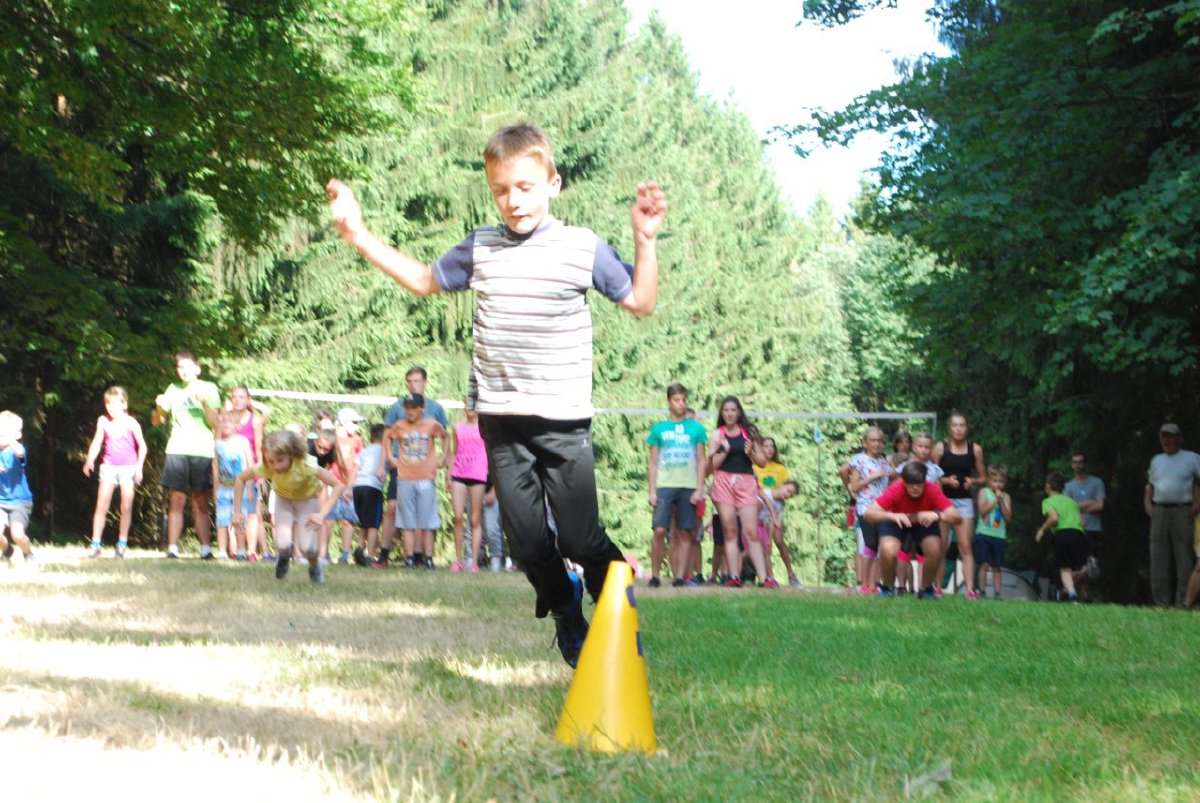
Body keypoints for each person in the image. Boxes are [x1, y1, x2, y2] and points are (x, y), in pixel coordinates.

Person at [327, 122, 666, 667]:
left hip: (564, 422)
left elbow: (642, 302)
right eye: (501, 190)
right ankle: (565, 608)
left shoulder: (582, 247)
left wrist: (644, 241)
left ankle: (616, 605)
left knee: (580, 539)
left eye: (525, 187)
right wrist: (358, 235)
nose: (513, 201)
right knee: (528, 544)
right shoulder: (481, 246)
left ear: (553, 183)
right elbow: (422, 280)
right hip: (502, 422)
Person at [233, 430, 344, 584]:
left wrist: (321, 514)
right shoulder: (266, 466)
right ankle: (284, 555)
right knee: (282, 544)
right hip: (283, 499)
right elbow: (240, 479)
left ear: (291, 454)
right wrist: (237, 512)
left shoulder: (305, 464)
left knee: (307, 547)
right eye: (271, 461)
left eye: (280, 460)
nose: (275, 466)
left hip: (306, 500)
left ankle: (314, 565)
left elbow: (338, 485)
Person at [153, 350, 221, 559]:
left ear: (197, 369)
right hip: (177, 449)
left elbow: (216, 423)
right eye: (180, 367)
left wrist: (204, 403)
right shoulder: (172, 389)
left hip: (202, 450)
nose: (183, 371)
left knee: (200, 501)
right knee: (176, 500)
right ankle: (173, 549)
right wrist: (158, 407)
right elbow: (158, 420)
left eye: (187, 367)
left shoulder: (209, 388)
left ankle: (206, 549)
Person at [380, 367, 449, 566]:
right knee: (398, 512)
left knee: (425, 516)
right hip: (403, 471)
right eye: (409, 381)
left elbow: (446, 436)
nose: (413, 384)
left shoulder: (434, 413)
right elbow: (387, 435)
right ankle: (394, 555)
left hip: (425, 473)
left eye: (417, 381)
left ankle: (424, 557)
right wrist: (387, 461)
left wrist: (443, 461)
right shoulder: (397, 413)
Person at [863, 462, 960, 598]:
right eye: (911, 485)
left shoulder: (932, 489)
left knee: (935, 549)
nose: (915, 488)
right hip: (896, 520)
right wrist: (892, 516)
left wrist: (937, 515)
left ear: (924, 482)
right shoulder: (896, 489)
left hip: (923, 521)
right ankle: (887, 588)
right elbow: (868, 514)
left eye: (919, 485)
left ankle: (925, 589)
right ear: (904, 482)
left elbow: (957, 517)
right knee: (887, 549)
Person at [646, 383, 707, 587]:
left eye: (683, 400)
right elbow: (653, 462)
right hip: (664, 485)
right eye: (676, 400)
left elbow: (702, 460)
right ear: (669, 401)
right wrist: (652, 490)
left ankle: (680, 577)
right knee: (659, 530)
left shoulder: (696, 429)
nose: (681, 404)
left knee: (685, 531)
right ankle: (655, 575)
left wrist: (699, 488)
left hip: (688, 485)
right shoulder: (659, 429)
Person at [709, 396, 770, 587]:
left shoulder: (748, 432)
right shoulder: (717, 435)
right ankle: (733, 576)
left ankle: (764, 578)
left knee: (751, 531)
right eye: (726, 410)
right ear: (722, 413)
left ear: (739, 412)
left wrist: (751, 452)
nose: (729, 413)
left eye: (733, 410)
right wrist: (724, 450)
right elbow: (712, 465)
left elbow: (762, 462)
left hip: (746, 482)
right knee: (730, 531)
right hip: (723, 482)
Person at [83, 386, 148, 559]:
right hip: (109, 467)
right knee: (101, 505)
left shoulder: (132, 423)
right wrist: (90, 460)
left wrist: (139, 468)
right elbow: (97, 442)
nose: (111, 408)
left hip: (128, 469)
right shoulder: (103, 421)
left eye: (115, 404)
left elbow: (142, 446)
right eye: (108, 404)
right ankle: (96, 544)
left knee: (126, 506)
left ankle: (122, 543)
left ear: (124, 404)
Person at [1143, 423, 1200, 607]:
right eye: (1164, 436)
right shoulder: (1156, 460)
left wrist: (1197, 505)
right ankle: (1161, 602)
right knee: (1158, 555)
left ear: (1179, 438)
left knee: (1184, 556)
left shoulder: (1191, 458)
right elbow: (1150, 485)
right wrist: (1147, 503)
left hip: (1182, 509)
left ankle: (1183, 602)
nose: (1167, 440)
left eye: (1171, 436)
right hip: (1160, 510)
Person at [932, 411, 987, 598]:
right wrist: (946, 480)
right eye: (955, 425)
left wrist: (973, 481)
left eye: (962, 425)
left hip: (964, 502)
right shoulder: (941, 448)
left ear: (967, 428)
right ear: (949, 428)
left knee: (965, 546)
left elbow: (984, 478)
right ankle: (937, 588)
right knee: (941, 546)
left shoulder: (975, 449)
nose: (958, 429)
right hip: (943, 501)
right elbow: (931, 474)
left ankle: (970, 590)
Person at [844, 427, 895, 593]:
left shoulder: (884, 462)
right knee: (870, 543)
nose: (877, 444)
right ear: (865, 443)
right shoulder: (859, 460)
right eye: (873, 440)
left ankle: (874, 585)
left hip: (882, 508)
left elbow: (890, 482)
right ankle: (864, 584)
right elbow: (854, 486)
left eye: (880, 441)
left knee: (880, 546)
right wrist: (871, 477)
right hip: (866, 507)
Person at [753, 438, 803, 588]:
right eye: (766, 446)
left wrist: (777, 513)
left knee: (779, 540)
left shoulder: (780, 469)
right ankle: (767, 576)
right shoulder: (754, 466)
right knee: (761, 543)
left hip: (775, 507)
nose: (769, 449)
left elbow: (786, 490)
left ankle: (791, 574)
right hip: (758, 504)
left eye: (772, 446)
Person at [227, 386, 270, 559]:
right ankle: (235, 550)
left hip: (251, 472)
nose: (237, 400)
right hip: (230, 473)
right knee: (232, 512)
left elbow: (259, 449)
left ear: (248, 399)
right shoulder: (226, 418)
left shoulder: (255, 421)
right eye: (234, 397)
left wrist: (261, 475)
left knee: (253, 512)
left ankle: (252, 551)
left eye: (242, 397)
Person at [448, 398, 489, 572]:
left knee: (475, 518)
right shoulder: (458, 428)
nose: (470, 408)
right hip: (459, 474)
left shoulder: (485, 429)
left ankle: (474, 562)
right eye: (467, 405)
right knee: (458, 517)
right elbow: (454, 452)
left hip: (478, 475)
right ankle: (458, 560)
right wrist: (449, 476)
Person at [1036, 471, 1088, 602]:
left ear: (1047, 486)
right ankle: (1083, 578)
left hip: (1062, 534)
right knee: (1081, 566)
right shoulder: (1072, 502)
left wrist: (1042, 530)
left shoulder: (1047, 501)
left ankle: (1072, 594)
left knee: (1065, 568)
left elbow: (1054, 518)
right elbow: (1082, 522)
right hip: (1078, 533)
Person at [212, 410, 255, 560]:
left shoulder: (243, 441)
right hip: (223, 488)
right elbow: (215, 466)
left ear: (238, 425)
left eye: (229, 421)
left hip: (240, 489)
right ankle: (222, 551)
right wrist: (215, 489)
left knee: (240, 519)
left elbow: (250, 465)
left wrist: (250, 487)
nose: (225, 424)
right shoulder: (218, 444)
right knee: (222, 520)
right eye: (223, 421)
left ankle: (241, 550)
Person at [1064, 452, 1105, 585]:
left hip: (1093, 529)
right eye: (1075, 462)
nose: (1078, 465)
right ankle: (1080, 594)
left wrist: (1077, 506)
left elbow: (1100, 505)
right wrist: (1091, 503)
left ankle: (1066, 588)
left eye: (1080, 462)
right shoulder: (1068, 486)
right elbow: (1068, 510)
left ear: (1085, 463)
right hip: (1075, 529)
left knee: (1091, 565)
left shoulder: (1097, 482)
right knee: (1077, 565)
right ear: (1071, 465)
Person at [0, 411, 36, 566]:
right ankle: (7, 550)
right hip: (1, 500)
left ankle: (28, 553)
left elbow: (20, 452)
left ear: (16, 435)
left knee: (17, 535)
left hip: (20, 501)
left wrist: (10, 439)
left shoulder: (17, 451)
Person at [352, 424, 387, 567]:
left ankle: (360, 551)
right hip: (373, 487)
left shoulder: (364, 451)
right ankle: (371, 556)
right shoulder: (384, 451)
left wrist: (349, 487)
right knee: (373, 524)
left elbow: (355, 468)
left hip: (358, 487)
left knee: (363, 523)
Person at [974, 465, 1011, 599]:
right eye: (995, 481)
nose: (998, 484)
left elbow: (1008, 517)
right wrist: (995, 499)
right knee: (984, 564)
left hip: (999, 535)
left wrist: (1001, 501)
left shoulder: (1006, 497)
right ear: (989, 481)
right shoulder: (984, 492)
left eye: (1001, 481)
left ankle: (997, 593)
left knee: (997, 566)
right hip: (983, 533)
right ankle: (982, 592)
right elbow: (982, 510)